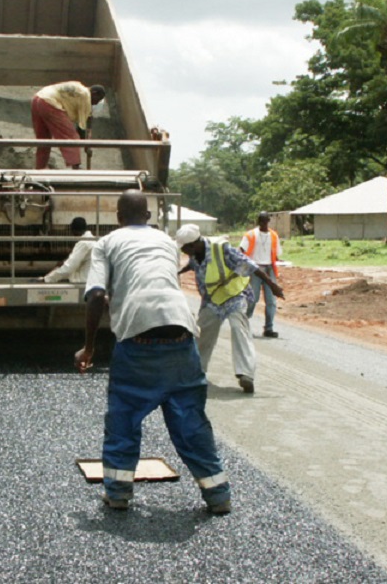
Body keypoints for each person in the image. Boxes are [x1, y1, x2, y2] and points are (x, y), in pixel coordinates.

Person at [74, 190, 231, 514]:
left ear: (118, 218)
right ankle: (218, 496)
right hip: (181, 334)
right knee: (190, 420)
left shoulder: (106, 243)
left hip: (138, 341)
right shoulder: (164, 242)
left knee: (124, 415)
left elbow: (96, 296)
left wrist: (89, 348)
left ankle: (118, 493)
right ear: (148, 217)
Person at [177, 224, 283, 394]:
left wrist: (272, 286)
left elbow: (250, 265)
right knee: (202, 333)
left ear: (194, 244)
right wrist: (176, 272)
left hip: (234, 295)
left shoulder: (221, 249)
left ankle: (246, 374)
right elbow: (192, 265)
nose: (184, 252)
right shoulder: (195, 254)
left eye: (185, 249)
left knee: (239, 328)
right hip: (212, 300)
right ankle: (196, 371)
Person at [31, 82, 106, 169]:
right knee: (71, 136)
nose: (94, 104)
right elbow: (81, 129)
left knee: (44, 141)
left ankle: (40, 169)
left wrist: (86, 144)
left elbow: (88, 121)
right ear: (94, 93)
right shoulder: (86, 96)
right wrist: (86, 144)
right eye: (96, 101)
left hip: (37, 99)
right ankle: (76, 166)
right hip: (49, 104)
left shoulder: (79, 88)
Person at [240, 211, 282, 338]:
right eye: (262, 220)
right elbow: (241, 250)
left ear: (269, 221)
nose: (264, 223)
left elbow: (277, 254)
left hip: (269, 268)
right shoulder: (251, 235)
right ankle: (243, 324)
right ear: (258, 221)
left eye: (266, 220)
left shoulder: (274, 235)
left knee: (271, 301)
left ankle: (268, 328)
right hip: (255, 269)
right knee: (253, 299)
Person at [43, 217, 95, 284]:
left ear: (73, 230)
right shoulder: (92, 240)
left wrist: (48, 279)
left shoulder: (84, 243)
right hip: (90, 279)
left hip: (83, 281)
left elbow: (68, 268)